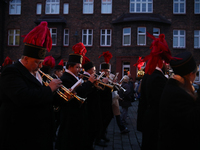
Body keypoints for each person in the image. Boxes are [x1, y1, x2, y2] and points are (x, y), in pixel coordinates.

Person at [0, 21, 62, 150]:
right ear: (26, 59)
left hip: (39, 132)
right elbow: (23, 97)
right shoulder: (12, 71)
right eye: (37, 62)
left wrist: (57, 94)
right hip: (21, 133)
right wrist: (49, 89)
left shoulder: (36, 73)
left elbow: (42, 97)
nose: (40, 66)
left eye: (41, 63)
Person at [135, 33, 175, 150]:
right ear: (161, 61)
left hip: (147, 120)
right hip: (154, 122)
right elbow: (160, 104)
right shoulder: (158, 78)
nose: (168, 65)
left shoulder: (148, 74)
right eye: (166, 62)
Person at [55, 43, 96, 150]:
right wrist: (90, 83)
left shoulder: (73, 77)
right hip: (71, 116)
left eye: (80, 67)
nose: (79, 70)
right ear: (70, 66)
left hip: (76, 115)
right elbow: (80, 93)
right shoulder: (66, 78)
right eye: (77, 67)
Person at [159, 51, 200, 150]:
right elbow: (193, 122)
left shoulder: (174, 87)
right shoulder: (176, 94)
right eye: (196, 73)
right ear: (190, 74)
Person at [81, 61, 102, 150]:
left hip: (93, 105)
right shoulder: (85, 77)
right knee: (90, 128)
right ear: (89, 70)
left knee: (94, 126)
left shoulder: (90, 77)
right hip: (89, 106)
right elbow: (85, 92)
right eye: (93, 70)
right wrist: (92, 84)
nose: (94, 71)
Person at [95, 51, 114, 147]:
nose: (108, 73)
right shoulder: (99, 78)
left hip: (108, 103)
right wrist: (105, 83)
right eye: (107, 72)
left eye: (109, 72)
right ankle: (98, 137)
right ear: (103, 71)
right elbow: (100, 91)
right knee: (101, 121)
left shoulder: (107, 78)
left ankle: (103, 135)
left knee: (109, 117)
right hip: (101, 103)